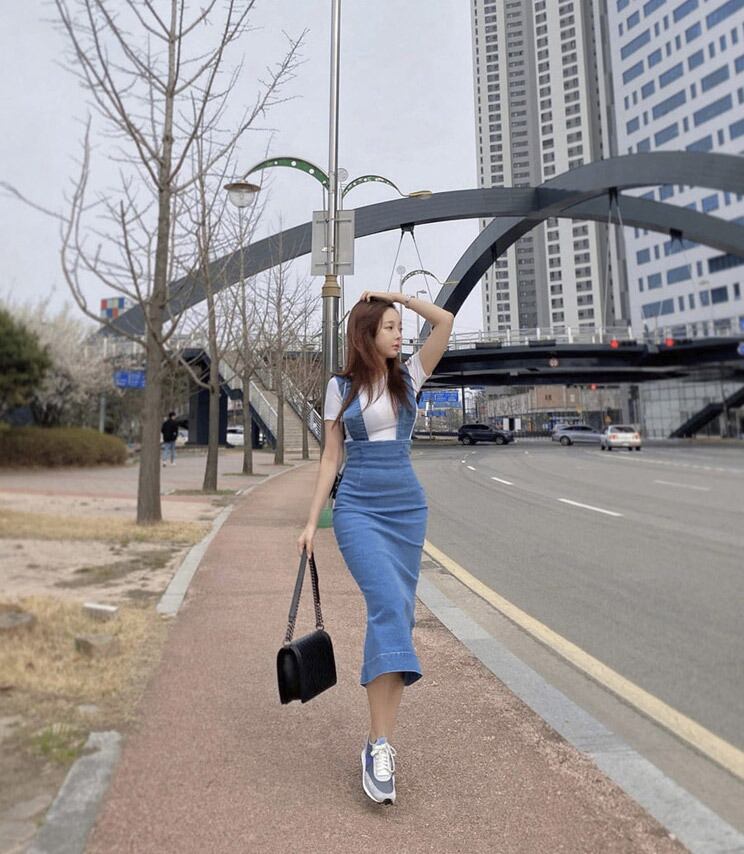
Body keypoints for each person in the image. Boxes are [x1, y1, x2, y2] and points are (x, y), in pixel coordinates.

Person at [297, 290, 453, 806]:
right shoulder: (339, 388)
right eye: (389, 326)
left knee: (397, 617)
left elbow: (445, 322)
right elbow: (330, 458)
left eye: (399, 326)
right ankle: (380, 745)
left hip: (406, 509)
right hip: (358, 509)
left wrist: (398, 297)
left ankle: (378, 743)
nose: (399, 334)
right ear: (366, 334)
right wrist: (310, 522)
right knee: (387, 603)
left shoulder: (410, 375)